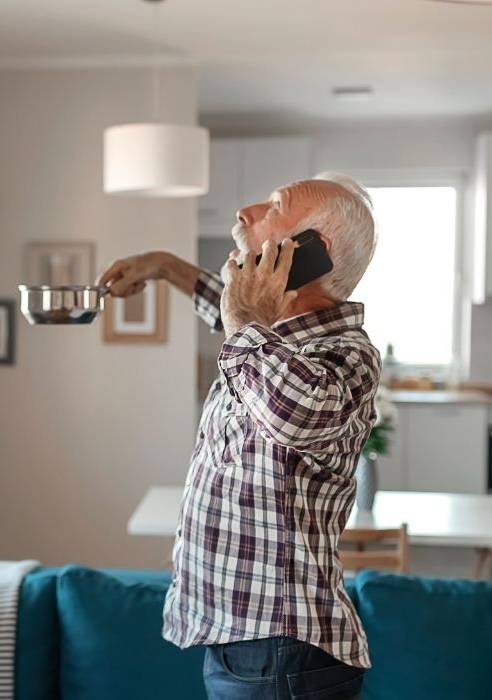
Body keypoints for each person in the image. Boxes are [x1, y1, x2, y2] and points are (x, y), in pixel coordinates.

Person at [98, 173, 380, 700]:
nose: (243, 212)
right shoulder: (266, 339)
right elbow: (233, 312)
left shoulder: (346, 352)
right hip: (254, 647)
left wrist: (245, 323)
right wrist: (164, 266)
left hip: (280, 654)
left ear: (313, 252)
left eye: (274, 206)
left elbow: (293, 411)